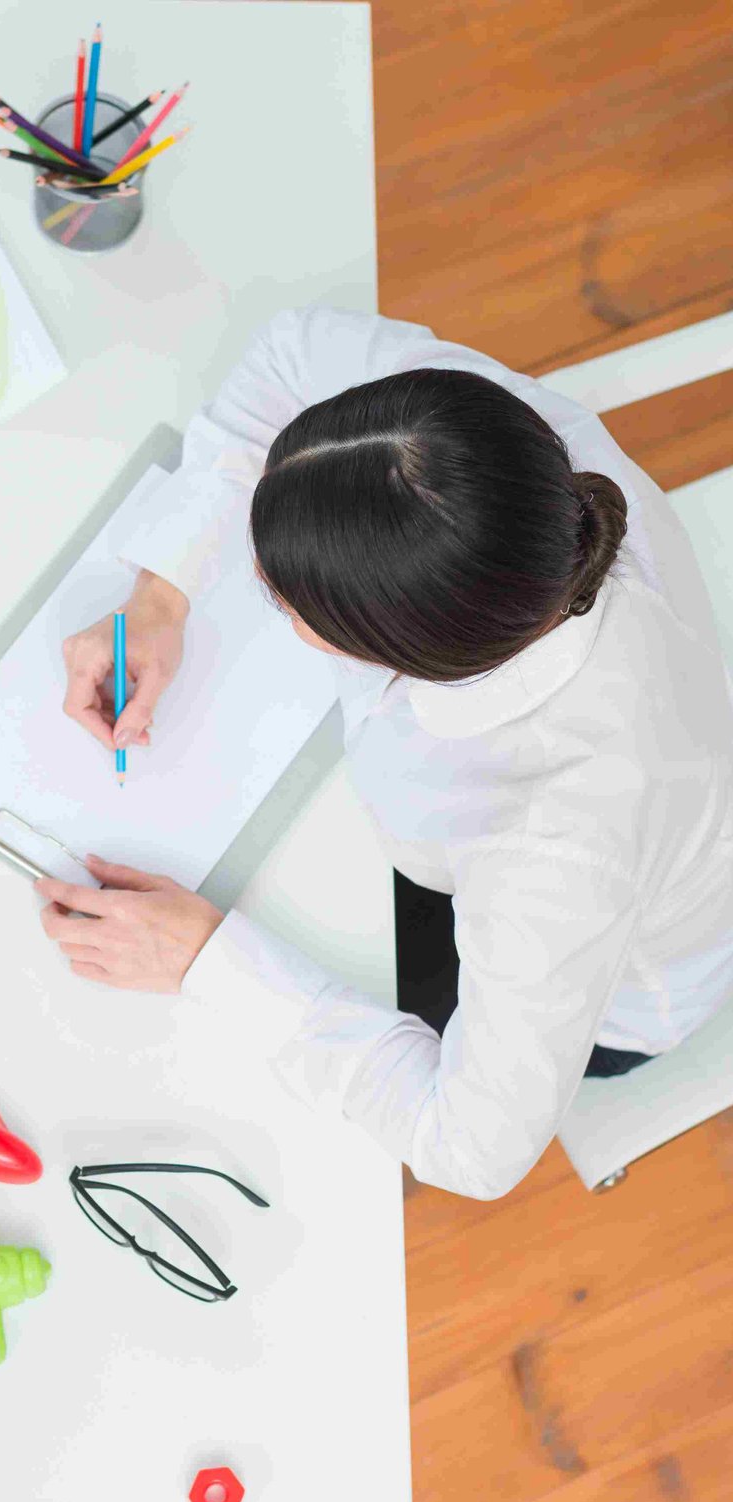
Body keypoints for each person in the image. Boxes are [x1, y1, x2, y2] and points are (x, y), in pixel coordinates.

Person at [41, 305, 733, 1200]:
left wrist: (207, 963)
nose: (257, 595)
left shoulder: (553, 850)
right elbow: (285, 352)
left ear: (402, 647)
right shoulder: (503, 454)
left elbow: (473, 1151)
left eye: (288, 604)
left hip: (600, 1000)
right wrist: (163, 591)